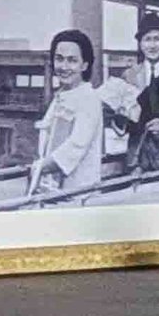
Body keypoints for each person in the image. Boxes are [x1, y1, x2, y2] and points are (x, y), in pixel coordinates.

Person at [105, 7, 159, 179]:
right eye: (147, 39)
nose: (152, 45)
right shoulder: (128, 76)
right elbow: (122, 127)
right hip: (138, 163)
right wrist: (118, 117)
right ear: (140, 43)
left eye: (157, 39)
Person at [26, 28, 105, 203]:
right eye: (59, 59)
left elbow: (75, 147)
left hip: (79, 194)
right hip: (53, 191)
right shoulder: (61, 96)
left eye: (72, 60)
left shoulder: (89, 98)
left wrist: (39, 168)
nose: (64, 67)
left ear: (84, 65)